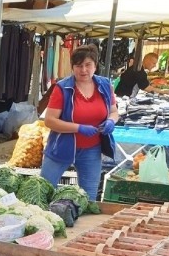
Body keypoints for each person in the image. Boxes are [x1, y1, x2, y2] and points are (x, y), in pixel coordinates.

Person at [41, 44, 119, 199]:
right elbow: (49, 121)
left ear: (95, 66)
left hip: (92, 149)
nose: (83, 70)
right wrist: (78, 128)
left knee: (89, 197)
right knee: (44, 190)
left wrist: (111, 121)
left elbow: (114, 112)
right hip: (61, 148)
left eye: (88, 65)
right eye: (78, 66)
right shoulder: (62, 88)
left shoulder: (105, 85)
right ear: (72, 67)